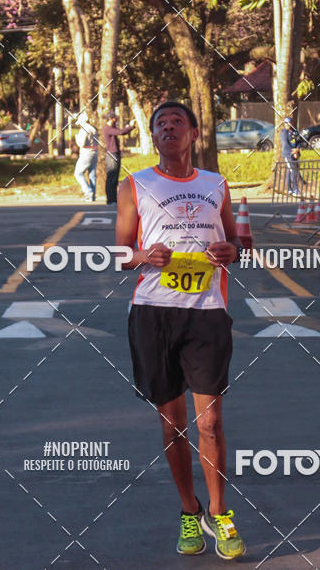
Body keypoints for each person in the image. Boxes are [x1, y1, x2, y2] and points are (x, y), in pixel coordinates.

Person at [116, 101, 246, 560]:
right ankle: (189, 512)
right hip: (153, 312)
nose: (168, 128)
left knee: (210, 421)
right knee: (174, 426)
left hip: (207, 311)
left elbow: (238, 243)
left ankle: (220, 513)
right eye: (159, 124)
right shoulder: (135, 184)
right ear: (153, 136)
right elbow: (118, 254)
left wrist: (231, 251)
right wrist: (142, 256)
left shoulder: (217, 184)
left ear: (193, 132)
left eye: (176, 122)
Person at [102, 110, 135, 204]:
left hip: (115, 153)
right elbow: (120, 132)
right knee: (111, 177)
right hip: (111, 155)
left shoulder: (111, 127)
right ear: (110, 119)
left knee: (115, 178)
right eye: (114, 118)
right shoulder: (107, 128)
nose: (116, 120)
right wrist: (130, 126)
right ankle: (110, 199)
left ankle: (113, 199)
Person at [74, 112, 98, 202]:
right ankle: (93, 195)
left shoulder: (84, 129)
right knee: (92, 174)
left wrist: (77, 138)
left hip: (86, 153)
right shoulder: (93, 129)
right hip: (95, 152)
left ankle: (88, 192)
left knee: (78, 173)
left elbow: (81, 143)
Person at [280, 117, 301, 195]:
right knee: (293, 171)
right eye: (286, 123)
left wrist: (297, 149)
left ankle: (289, 189)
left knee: (290, 171)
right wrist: (292, 152)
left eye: (289, 123)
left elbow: (299, 141)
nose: (288, 124)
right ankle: (295, 189)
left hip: (295, 154)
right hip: (288, 154)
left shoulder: (295, 132)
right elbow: (285, 144)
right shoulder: (283, 132)